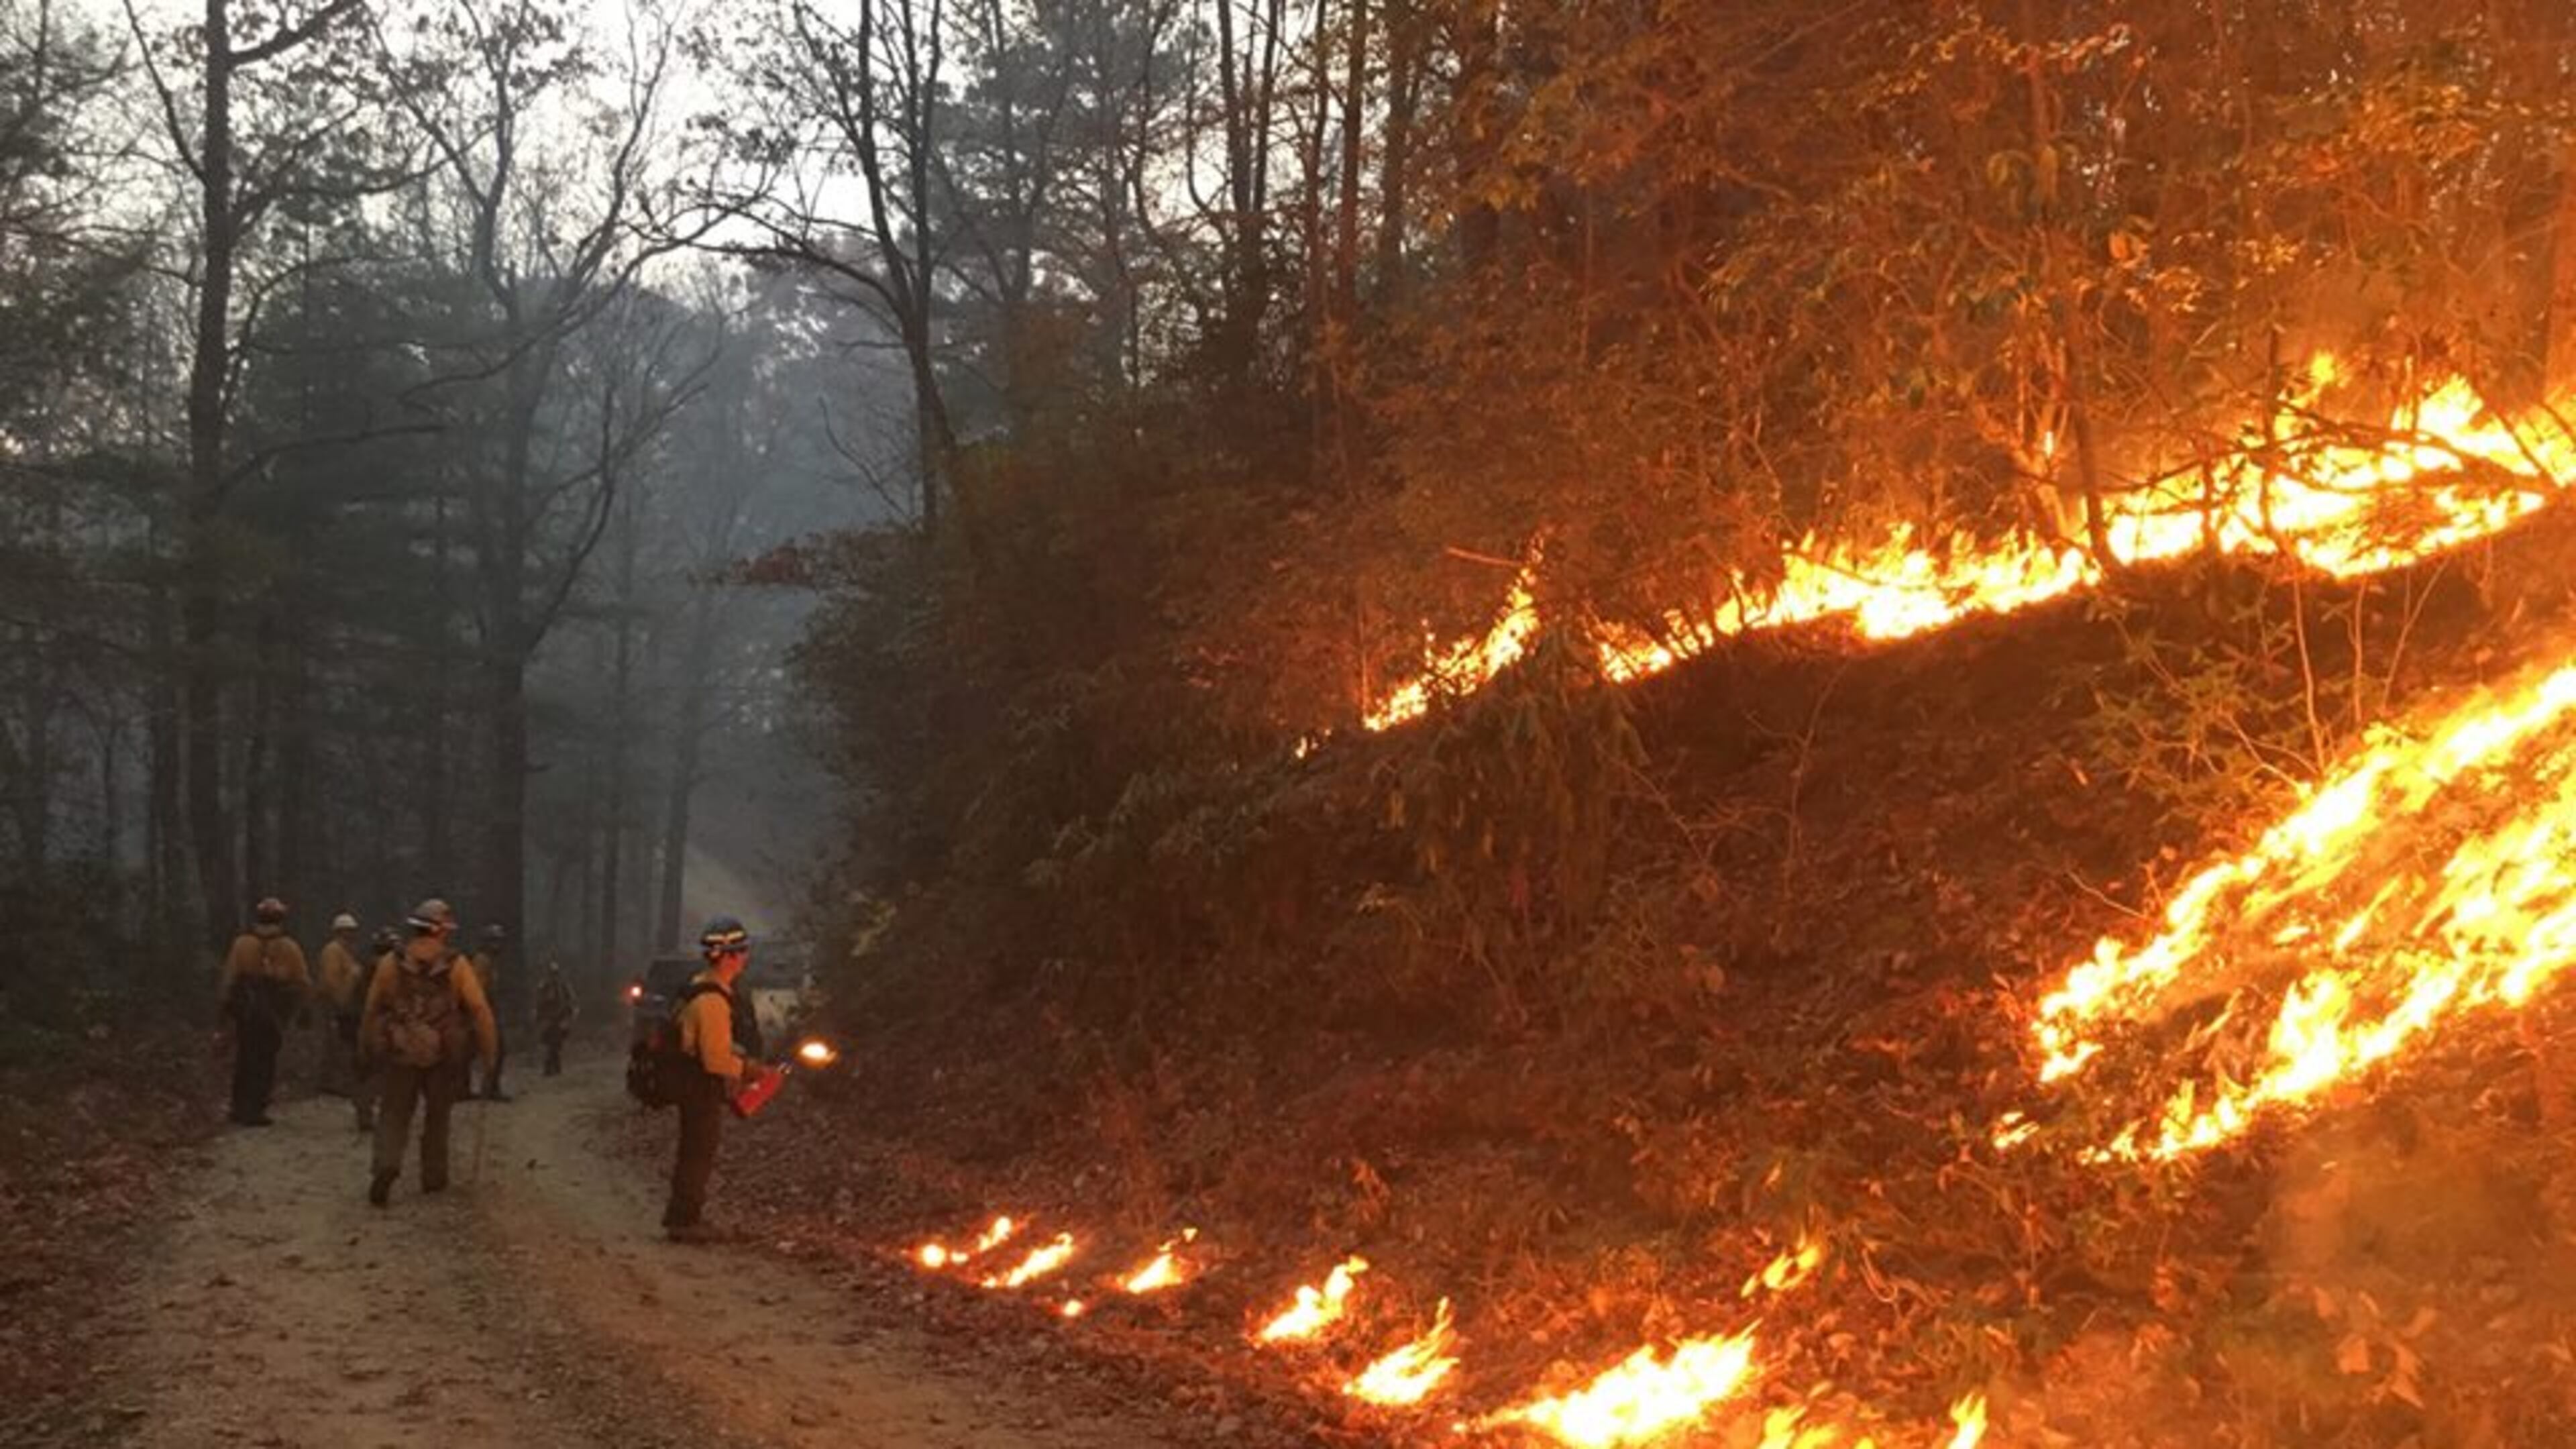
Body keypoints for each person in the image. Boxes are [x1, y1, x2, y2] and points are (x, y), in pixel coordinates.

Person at [360, 898, 498, 1206]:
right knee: (438, 1116)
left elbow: (371, 1008)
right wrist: (490, 1052)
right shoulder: (456, 964)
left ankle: (387, 1164)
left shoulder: (391, 963)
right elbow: (478, 1009)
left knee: (394, 1114)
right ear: (441, 931)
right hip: (442, 1054)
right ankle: (433, 1177)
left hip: (400, 1050)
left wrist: (366, 1046)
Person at [663, 916, 772, 1243]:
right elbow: (714, 1059)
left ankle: (682, 1215)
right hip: (698, 1086)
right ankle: (685, 1221)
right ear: (728, 956)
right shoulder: (711, 1000)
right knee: (699, 1151)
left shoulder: (703, 986)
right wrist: (752, 1071)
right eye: (742, 952)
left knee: (694, 1149)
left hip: (692, 1082)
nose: (745, 958)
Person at [218, 897, 311, 1126]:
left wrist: (225, 1007)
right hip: (275, 1013)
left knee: (245, 1057)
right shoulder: (290, 947)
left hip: (246, 1012)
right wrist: (304, 1009)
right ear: (281, 919)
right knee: (266, 1060)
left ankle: (239, 1107)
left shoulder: (242, 944)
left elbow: (229, 978)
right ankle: (256, 1108)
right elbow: (302, 981)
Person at [313, 912, 373, 1130]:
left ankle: (338, 1082)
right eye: (347, 931)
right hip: (334, 1005)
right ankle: (329, 1081)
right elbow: (331, 981)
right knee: (335, 1045)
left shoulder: (346, 952)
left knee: (344, 1047)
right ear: (339, 931)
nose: (351, 934)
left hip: (345, 1006)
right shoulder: (333, 951)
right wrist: (340, 1001)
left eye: (352, 931)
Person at [472, 923, 512, 1101]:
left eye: (499, 941)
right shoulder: (482, 961)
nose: (498, 945)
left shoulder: (490, 962)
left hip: (489, 1010)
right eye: (494, 941)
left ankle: (490, 1087)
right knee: (495, 1049)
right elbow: (478, 989)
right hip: (483, 1012)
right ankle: (489, 1089)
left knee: (497, 1050)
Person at [535, 959, 576, 1076]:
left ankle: (555, 1068)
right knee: (550, 1044)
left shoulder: (563, 986)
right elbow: (539, 1002)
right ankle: (550, 1068)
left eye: (555, 973)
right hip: (548, 1019)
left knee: (557, 1044)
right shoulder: (544, 986)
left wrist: (569, 1014)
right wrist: (539, 1015)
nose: (554, 976)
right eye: (552, 973)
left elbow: (570, 1000)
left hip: (560, 1018)